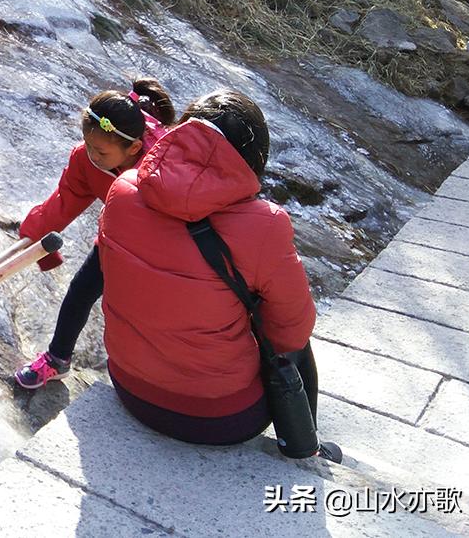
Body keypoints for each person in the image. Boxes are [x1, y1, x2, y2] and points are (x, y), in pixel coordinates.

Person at [98, 89, 318, 446]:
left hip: (129, 385)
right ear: (253, 157)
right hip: (221, 418)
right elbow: (291, 333)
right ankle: (305, 446)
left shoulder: (122, 189)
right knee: (294, 334)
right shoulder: (266, 224)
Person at [14, 78, 175, 389]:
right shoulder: (86, 159)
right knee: (80, 291)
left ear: (134, 148)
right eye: (88, 145)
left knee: (143, 310)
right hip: (116, 236)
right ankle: (58, 359)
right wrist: (35, 233)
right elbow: (66, 198)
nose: (92, 156)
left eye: (100, 152)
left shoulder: (160, 172)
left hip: (161, 248)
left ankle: (154, 376)